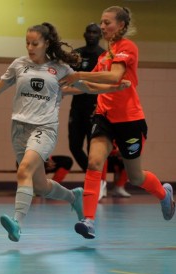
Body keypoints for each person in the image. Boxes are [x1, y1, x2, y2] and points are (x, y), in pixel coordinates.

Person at [0, 22, 130, 242]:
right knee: (40, 186)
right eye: (27, 43)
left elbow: (87, 88)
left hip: (45, 128)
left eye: (35, 43)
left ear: (46, 43)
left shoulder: (60, 68)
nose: (30, 47)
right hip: (18, 129)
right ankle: (73, 197)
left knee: (23, 171)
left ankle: (17, 224)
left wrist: (115, 87)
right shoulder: (19, 64)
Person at [59, 6, 175, 239]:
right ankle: (89, 220)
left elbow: (113, 77)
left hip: (130, 121)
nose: (102, 27)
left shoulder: (127, 48)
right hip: (103, 117)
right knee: (94, 163)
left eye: (107, 22)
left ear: (121, 26)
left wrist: (79, 75)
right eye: (101, 22)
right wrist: (60, 88)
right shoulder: (103, 56)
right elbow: (91, 86)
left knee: (135, 177)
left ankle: (164, 194)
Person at [68, 23, 104, 172]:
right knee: (74, 146)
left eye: (95, 32)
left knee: (93, 148)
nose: (91, 35)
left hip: (95, 108)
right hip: (77, 107)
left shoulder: (104, 56)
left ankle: (96, 181)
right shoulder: (77, 54)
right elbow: (67, 77)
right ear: (84, 34)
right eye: (88, 32)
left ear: (100, 35)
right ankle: (91, 173)